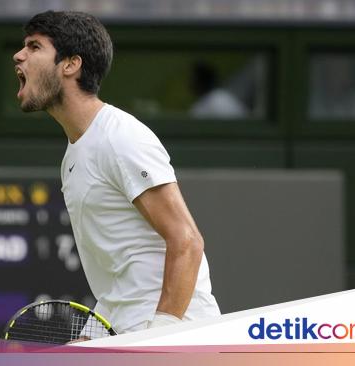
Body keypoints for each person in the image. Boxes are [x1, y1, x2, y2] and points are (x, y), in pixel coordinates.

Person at [13, 10, 220, 335]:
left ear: (70, 64)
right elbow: (121, 272)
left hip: (179, 331)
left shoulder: (120, 136)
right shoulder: (73, 156)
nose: (19, 55)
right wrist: (90, 337)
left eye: (35, 46)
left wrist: (161, 333)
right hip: (129, 328)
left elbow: (187, 240)